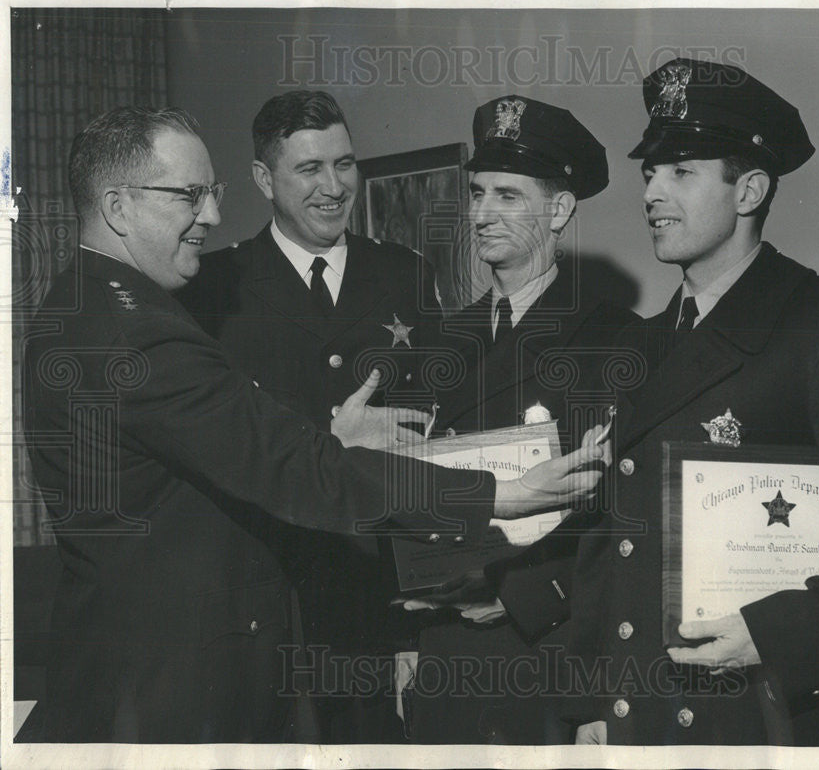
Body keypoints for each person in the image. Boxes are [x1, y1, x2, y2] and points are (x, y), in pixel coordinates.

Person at [21, 106, 607, 743]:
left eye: (210, 194)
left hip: (172, 666)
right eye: (190, 195)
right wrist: (500, 492)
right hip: (171, 685)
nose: (213, 216)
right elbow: (283, 463)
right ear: (116, 205)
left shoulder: (82, 303)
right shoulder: (143, 332)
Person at [567, 59, 819, 746]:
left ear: (749, 189)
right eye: (649, 174)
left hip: (770, 717)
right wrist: (594, 704)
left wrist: (772, 631)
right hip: (644, 712)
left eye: (681, 172)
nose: (653, 195)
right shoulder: (643, 344)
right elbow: (616, 544)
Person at [178, 90, 437, 742]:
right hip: (267, 610)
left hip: (383, 611)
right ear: (265, 178)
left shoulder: (403, 275)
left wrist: (416, 623)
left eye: (344, 164)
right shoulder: (213, 289)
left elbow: (433, 448)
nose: (334, 186)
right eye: (309, 169)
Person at [402, 95, 639, 744]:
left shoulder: (613, 340)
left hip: (544, 652)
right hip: (442, 649)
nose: (480, 215)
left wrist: (516, 594)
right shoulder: (447, 341)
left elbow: (618, 515)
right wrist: (406, 639)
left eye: (507, 196)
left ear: (559, 210)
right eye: (477, 193)